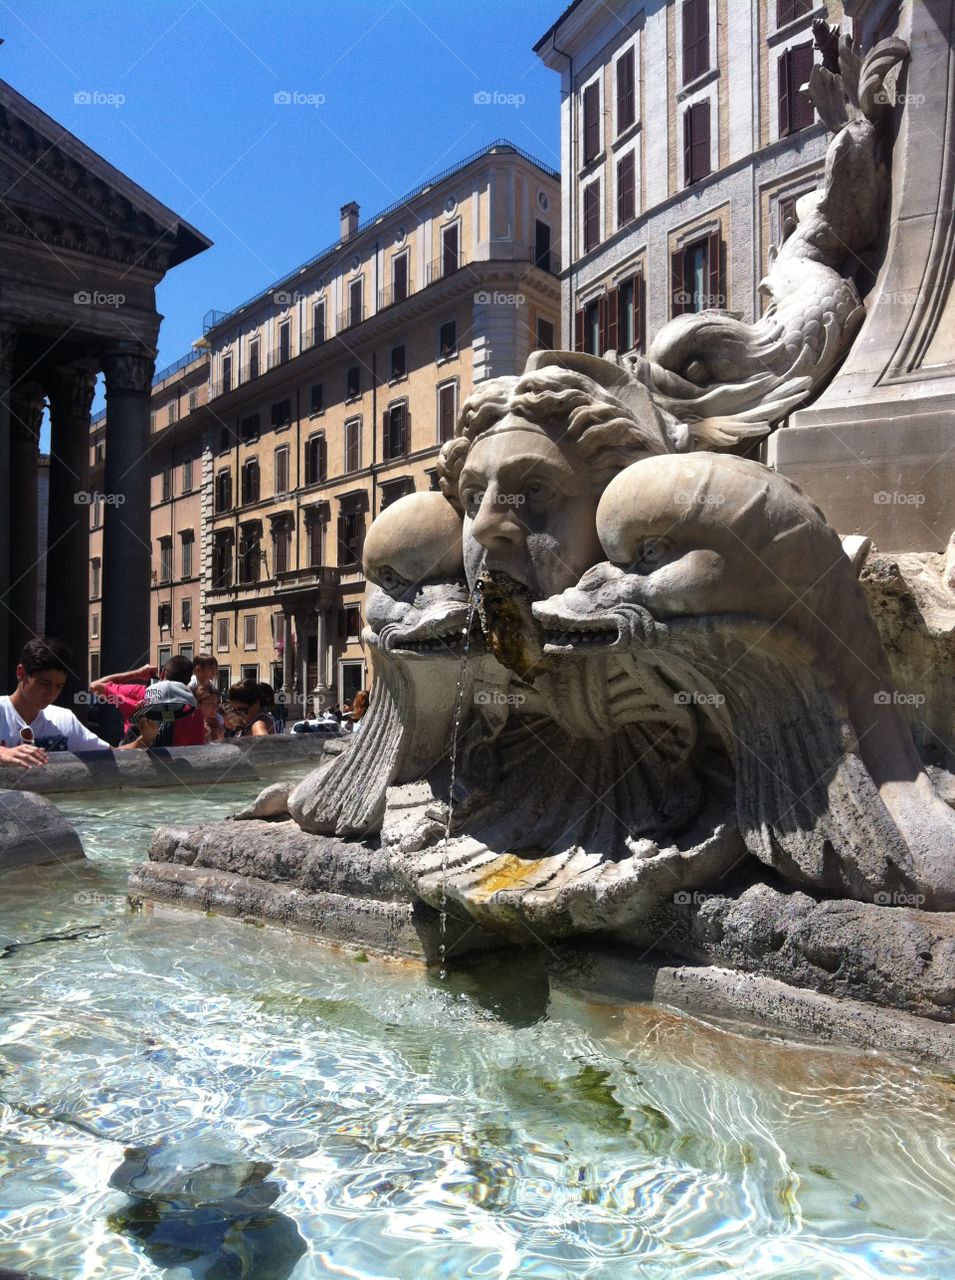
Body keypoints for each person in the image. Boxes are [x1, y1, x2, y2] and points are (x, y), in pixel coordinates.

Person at [0, 637, 112, 767]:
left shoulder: (65, 719)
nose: (51, 693)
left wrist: (141, 739)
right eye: (44, 683)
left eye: (59, 686)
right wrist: (3, 753)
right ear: (21, 673)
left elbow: (116, 757)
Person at [91, 655, 205, 747]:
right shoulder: (194, 711)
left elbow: (94, 687)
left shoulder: (140, 695)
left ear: (162, 673)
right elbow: (197, 749)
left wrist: (137, 673)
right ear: (189, 680)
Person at [119, 681, 199, 749]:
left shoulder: (193, 722)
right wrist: (146, 739)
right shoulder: (136, 731)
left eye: (174, 707)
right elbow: (116, 757)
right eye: (159, 709)